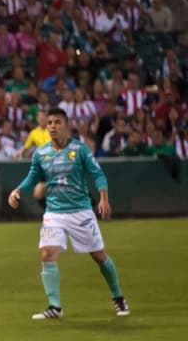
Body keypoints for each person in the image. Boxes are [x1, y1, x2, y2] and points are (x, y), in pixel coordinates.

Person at [7, 107, 128, 319]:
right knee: (47, 253)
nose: (53, 126)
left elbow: (98, 174)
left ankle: (118, 297)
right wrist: (18, 190)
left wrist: (103, 198)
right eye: (50, 123)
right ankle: (54, 307)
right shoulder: (41, 153)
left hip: (80, 212)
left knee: (99, 256)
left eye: (57, 122)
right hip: (54, 212)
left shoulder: (80, 150)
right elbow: (32, 178)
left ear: (67, 125)